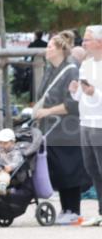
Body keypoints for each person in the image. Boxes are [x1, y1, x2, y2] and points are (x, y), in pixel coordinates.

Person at [33, 31, 89, 224]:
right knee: (59, 169)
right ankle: (65, 208)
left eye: (50, 47)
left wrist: (48, 112)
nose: (47, 50)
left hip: (68, 129)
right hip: (51, 130)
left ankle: (74, 209)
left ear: (59, 50)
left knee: (70, 169)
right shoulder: (50, 70)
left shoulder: (71, 70)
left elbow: (72, 104)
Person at [69, 25, 102, 226]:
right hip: (86, 122)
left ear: (99, 42)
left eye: (87, 39)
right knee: (92, 169)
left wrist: (94, 93)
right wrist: (76, 91)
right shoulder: (86, 65)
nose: (83, 43)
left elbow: (93, 94)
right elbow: (81, 95)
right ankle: (100, 209)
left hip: (101, 123)